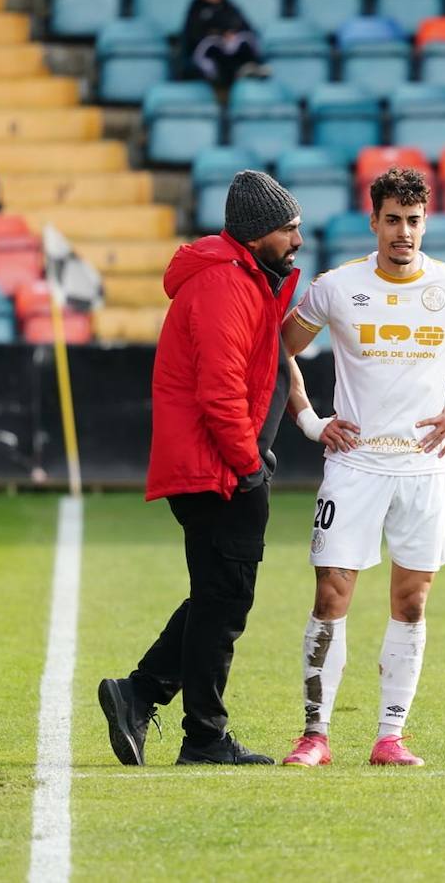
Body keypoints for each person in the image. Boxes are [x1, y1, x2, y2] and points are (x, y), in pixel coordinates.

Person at [278, 167, 445, 768]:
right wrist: (312, 423)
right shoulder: (337, 288)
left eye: (413, 221)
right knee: (332, 593)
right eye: (392, 220)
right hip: (354, 465)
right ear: (374, 222)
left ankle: (390, 736)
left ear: (425, 222)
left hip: (423, 470)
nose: (403, 233)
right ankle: (315, 735)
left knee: (411, 601)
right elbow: (278, 352)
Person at [98, 170, 303, 766]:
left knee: (216, 598)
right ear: (257, 232)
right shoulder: (225, 284)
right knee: (224, 601)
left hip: (211, 465)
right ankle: (201, 734)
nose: (297, 239)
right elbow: (220, 392)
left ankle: (141, 697)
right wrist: (249, 465)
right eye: (288, 228)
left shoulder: (239, 278)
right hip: (218, 469)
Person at [180, 0, 269, 89]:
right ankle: (223, 80)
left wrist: (232, 34)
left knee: (243, 40)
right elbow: (193, 37)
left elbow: (246, 28)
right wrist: (219, 34)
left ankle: (250, 67)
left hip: (231, 53)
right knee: (213, 45)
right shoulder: (196, 9)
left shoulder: (230, 7)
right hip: (212, 59)